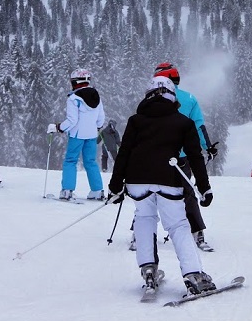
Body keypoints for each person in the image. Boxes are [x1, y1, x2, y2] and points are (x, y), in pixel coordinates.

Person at [108, 76, 216, 295]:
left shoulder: (136, 120)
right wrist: (204, 188)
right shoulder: (183, 122)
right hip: (169, 179)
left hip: (137, 181)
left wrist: (115, 186)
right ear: (172, 97)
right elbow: (195, 156)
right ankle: (194, 276)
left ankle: (148, 271)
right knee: (177, 225)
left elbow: (124, 154)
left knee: (144, 219)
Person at [153, 62, 217, 251]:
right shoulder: (189, 98)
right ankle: (198, 233)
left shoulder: (153, 99)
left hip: (158, 154)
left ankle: (138, 234)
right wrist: (208, 147)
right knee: (188, 193)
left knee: (152, 192)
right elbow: (199, 125)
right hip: (182, 156)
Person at [47, 69, 106, 201]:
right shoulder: (97, 97)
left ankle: (67, 191)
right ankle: (97, 191)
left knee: (70, 161)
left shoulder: (73, 98)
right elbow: (101, 119)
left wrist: (59, 127)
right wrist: (95, 127)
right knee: (91, 162)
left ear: (75, 82)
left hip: (77, 135)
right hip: (91, 135)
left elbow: (72, 121)